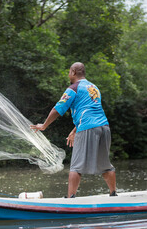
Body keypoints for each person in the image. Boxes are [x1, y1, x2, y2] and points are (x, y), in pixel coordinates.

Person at [30, 62, 117, 198]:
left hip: (87, 128)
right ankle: (113, 193)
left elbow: (57, 109)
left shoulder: (74, 88)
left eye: (69, 72)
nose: (69, 75)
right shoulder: (93, 87)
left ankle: (71, 198)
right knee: (105, 164)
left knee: (76, 166)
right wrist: (74, 131)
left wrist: (44, 125)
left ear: (74, 72)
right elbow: (90, 111)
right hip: (104, 127)